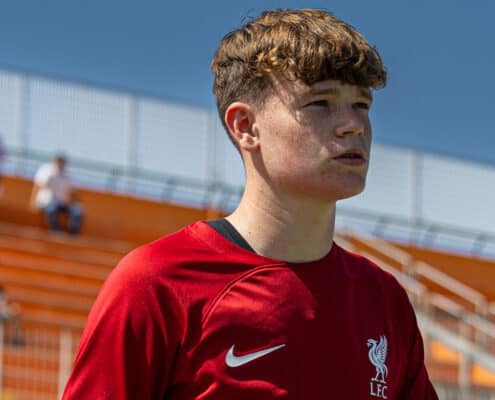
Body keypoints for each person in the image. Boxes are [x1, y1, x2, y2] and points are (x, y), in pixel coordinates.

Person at [63, 8, 438, 399]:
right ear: (245, 126)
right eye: (321, 103)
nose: (354, 124)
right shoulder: (156, 283)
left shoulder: (385, 301)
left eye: (361, 105)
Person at [30, 154, 83, 234]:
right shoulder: (46, 171)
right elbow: (38, 186)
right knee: (52, 209)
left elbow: (74, 192)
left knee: (77, 211)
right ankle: (56, 233)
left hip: (62, 203)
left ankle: (72, 234)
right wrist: (33, 201)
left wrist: (75, 203)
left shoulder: (68, 175)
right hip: (47, 202)